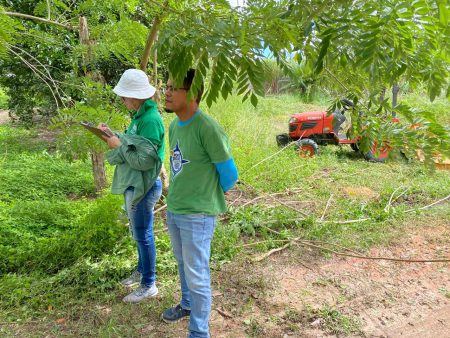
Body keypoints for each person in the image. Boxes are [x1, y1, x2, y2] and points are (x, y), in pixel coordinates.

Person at [161, 69, 238, 338]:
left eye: (173, 88)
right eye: (166, 86)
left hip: (197, 215)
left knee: (197, 274)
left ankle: (198, 332)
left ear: (193, 94)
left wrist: (203, 197)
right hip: (175, 209)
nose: (167, 92)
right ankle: (187, 304)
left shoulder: (208, 128)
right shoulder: (173, 126)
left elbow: (229, 176)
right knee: (183, 265)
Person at [99, 69, 165, 303]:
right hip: (134, 184)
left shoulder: (150, 120)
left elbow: (144, 161)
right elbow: (132, 145)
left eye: (125, 96)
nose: (122, 100)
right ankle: (141, 270)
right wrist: (111, 135)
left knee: (143, 234)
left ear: (136, 96)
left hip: (143, 186)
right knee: (138, 234)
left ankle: (149, 284)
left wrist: (118, 145)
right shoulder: (139, 117)